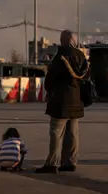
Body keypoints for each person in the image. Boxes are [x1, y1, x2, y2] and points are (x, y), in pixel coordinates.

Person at [36, 30, 90, 174]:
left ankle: (52, 164)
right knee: (73, 133)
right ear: (73, 40)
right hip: (77, 101)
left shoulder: (60, 57)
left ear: (63, 40)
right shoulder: (81, 56)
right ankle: (70, 162)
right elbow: (86, 77)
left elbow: (51, 79)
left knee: (56, 132)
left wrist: (49, 91)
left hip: (61, 101)